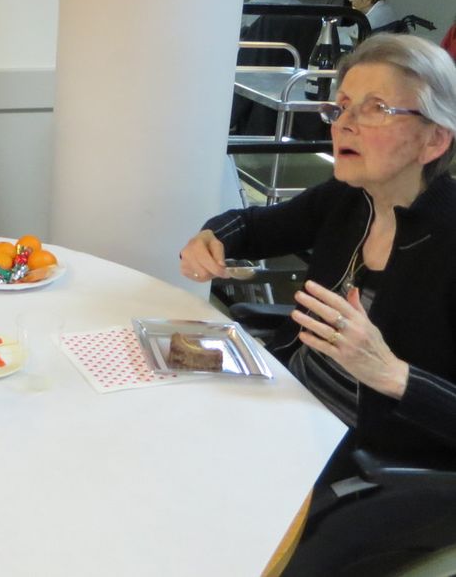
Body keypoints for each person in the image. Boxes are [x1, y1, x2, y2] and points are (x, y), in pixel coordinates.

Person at [181, 33, 456, 574]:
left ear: (434, 142)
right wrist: (214, 236)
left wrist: (393, 374)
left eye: (376, 108)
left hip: (396, 465)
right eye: (342, 105)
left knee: (266, 555)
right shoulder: (350, 198)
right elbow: (255, 226)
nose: (344, 123)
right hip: (302, 414)